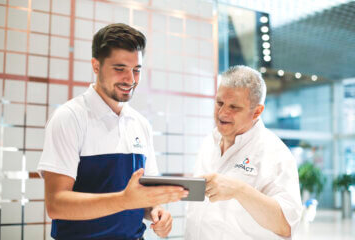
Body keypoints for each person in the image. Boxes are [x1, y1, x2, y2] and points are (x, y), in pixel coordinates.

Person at [37, 23, 188, 240]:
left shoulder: (140, 123)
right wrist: (124, 200)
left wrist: (157, 211)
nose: (131, 79)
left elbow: (143, 196)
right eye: (120, 69)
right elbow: (56, 204)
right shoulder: (69, 117)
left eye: (136, 70)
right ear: (96, 66)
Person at [185, 66, 302, 240]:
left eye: (234, 107)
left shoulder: (276, 154)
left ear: (257, 111)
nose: (222, 113)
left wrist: (238, 189)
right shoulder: (209, 141)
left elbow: (285, 225)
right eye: (219, 103)